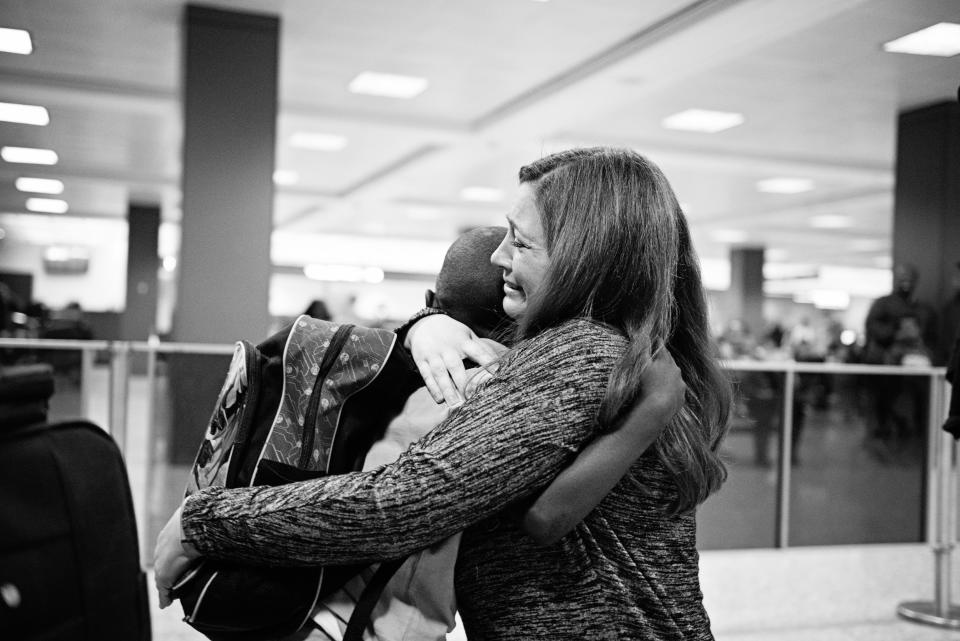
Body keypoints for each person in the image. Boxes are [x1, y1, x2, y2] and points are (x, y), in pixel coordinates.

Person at [156, 147, 732, 640]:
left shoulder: (581, 351)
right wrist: (422, 325)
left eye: (521, 243)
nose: (499, 256)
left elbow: (405, 503)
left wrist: (204, 520)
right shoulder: (619, 348)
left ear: (586, 256)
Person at [863, 263, 937, 456]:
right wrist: (895, 332)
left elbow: (934, 336)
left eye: (909, 276)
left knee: (917, 406)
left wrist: (918, 339)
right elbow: (873, 327)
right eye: (901, 276)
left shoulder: (923, 308)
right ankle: (884, 437)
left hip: (917, 369)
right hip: (889, 369)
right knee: (886, 405)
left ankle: (913, 439)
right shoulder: (883, 304)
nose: (906, 280)